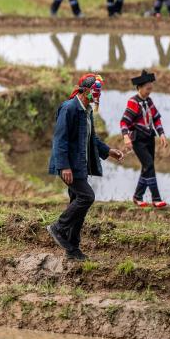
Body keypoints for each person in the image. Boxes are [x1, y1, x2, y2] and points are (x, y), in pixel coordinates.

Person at [46, 73, 123, 261]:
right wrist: (64, 166)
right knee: (87, 196)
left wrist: (108, 151)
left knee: (78, 207)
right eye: (96, 91)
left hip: (80, 165)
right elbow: (60, 139)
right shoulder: (69, 108)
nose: (98, 95)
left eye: (99, 92)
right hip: (69, 166)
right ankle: (58, 227)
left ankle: (72, 249)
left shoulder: (86, 110)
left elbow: (91, 137)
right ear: (86, 90)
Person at [120, 70, 168, 208]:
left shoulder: (149, 101)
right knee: (149, 165)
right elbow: (124, 122)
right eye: (147, 89)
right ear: (139, 88)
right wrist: (126, 137)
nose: (149, 91)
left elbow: (156, 118)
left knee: (147, 167)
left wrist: (161, 134)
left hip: (149, 138)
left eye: (151, 89)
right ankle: (156, 199)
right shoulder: (133, 102)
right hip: (138, 140)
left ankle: (137, 196)